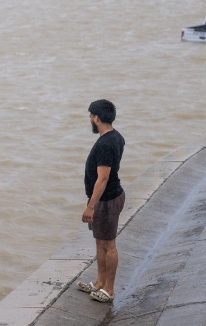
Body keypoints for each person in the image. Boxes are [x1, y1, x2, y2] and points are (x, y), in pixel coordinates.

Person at [76, 99, 125, 303]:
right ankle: (99, 283)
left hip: (106, 200)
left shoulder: (105, 144)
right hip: (107, 198)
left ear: (96, 118)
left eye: (90, 116)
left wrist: (91, 206)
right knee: (100, 241)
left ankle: (109, 290)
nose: (90, 119)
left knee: (108, 244)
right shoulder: (116, 136)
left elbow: (103, 178)